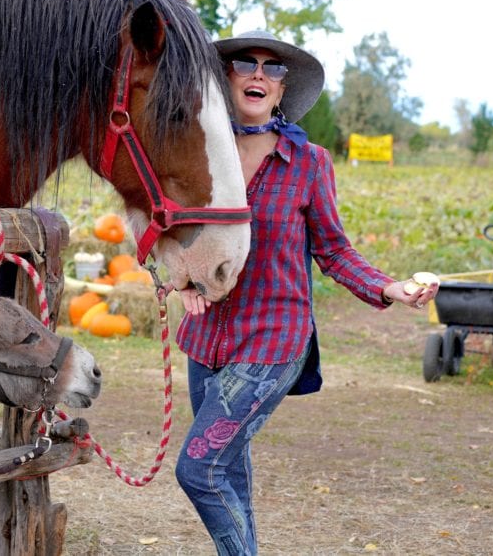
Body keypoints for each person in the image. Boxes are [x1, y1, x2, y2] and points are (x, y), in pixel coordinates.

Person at [171, 30, 439, 555]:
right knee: (230, 468)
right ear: (224, 78)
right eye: (245, 62)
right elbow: (165, 231)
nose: (258, 74)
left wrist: (388, 288)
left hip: (274, 342)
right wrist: (177, 279)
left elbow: (335, 251)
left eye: (273, 69)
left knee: (199, 468)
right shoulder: (193, 153)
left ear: (281, 89)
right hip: (207, 342)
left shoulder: (309, 162)